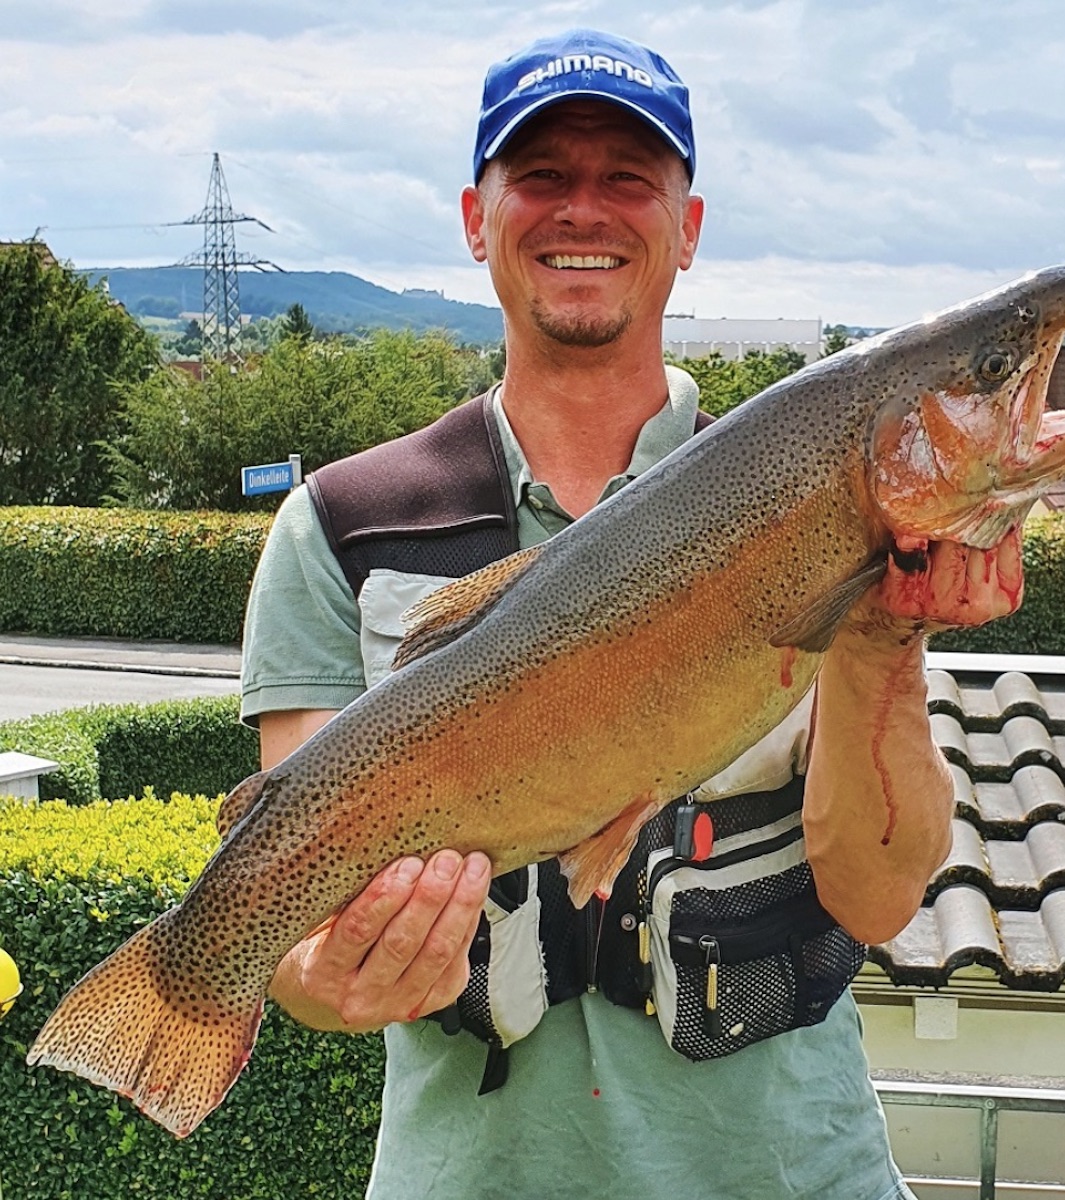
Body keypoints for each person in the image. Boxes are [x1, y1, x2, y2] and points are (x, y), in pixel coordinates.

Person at [240, 28, 1022, 1199]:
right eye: (543, 175)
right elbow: (292, 921)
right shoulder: (337, 526)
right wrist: (329, 972)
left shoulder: (818, 500)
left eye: (628, 178)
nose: (583, 210)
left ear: (689, 227)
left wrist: (886, 629)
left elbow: (876, 894)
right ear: (475, 215)